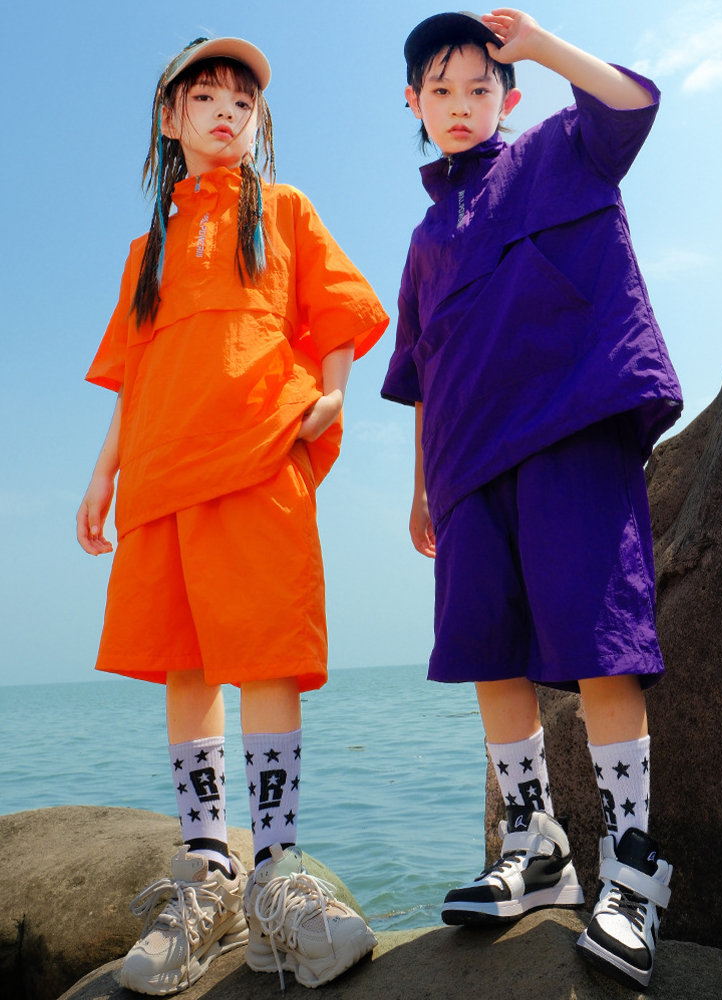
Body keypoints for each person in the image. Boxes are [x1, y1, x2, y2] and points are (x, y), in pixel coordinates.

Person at [77, 35, 388, 996]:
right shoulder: (148, 251)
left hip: (259, 455)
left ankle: (278, 874)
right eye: (206, 97)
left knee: (266, 653)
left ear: (258, 124)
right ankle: (209, 872)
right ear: (171, 118)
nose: (226, 113)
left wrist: (331, 396)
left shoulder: (285, 210)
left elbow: (340, 310)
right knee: (187, 659)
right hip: (161, 471)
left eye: (242, 103)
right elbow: (133, 376)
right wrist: (102, 476)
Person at [381, 9, 679, 990]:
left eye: (479, 88)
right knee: (489, 650)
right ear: (414, 103)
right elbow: (422, 373)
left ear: (506, 96)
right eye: (441, 91)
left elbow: (632, 103)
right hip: (467, 465)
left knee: (601, 645)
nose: (460, 106)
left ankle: (631, 873)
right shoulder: (425, 239)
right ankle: (536, 845)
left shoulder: (559, 150)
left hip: (571, 428)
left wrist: (545, 46)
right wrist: (423, 487)